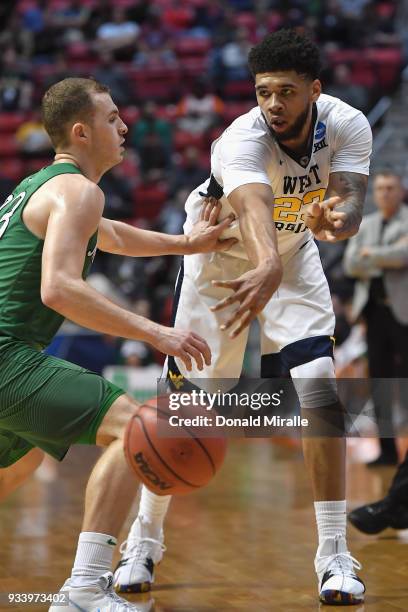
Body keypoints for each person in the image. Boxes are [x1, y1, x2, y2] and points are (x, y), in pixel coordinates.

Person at [114, 30, 372, 605]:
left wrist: (337, 221)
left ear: (315, 90)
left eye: (286, 92)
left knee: (320, 392)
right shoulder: (240, 138)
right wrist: (265, 263)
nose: (273, 104)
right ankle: (145, 538)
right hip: (220, 256)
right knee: (188, 405)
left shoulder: (349, 123)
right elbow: (253, 206)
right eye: (263, 93)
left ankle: (334, 554)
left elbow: (352, 201)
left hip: (293, 257)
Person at [0, 77, 236, 612]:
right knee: (136, 428)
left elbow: (110, 234)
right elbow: (58, 288)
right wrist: (157, 332)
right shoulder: (78, 190)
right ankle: (84, 589)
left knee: (18, 465)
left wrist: (185, 242)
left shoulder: (45, 186)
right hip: (5, 353)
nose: (125, 125)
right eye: (112, 118)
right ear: (81, 132)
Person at [343, 171, 408, 465]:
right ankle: (387, 452)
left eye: (390, 188)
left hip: (403, 313)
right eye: (380, 188)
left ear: (401, 191)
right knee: (380, 382)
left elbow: (404, 256)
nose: (384, 193)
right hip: (374, 312)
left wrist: (372, 255)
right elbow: (351, 263)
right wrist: (386, 256)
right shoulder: (366, 224)